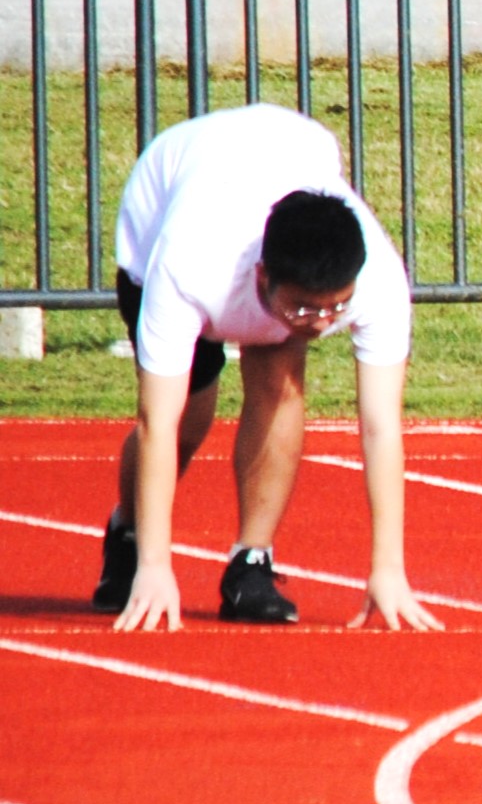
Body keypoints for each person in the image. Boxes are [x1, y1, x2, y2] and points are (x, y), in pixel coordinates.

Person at [94, 103, 439, 633]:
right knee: (189, 416)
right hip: (162, 209)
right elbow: (154, 422)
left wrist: (388, 570)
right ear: (262, 278)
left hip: (288, 148)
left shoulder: (381, 282)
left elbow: (380, 426)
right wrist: (154, 567)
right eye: (303, 307)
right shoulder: (190, 261)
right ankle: (129, 534)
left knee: (279, 385)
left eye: (334, 309)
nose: (319, 322)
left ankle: (250, 561)